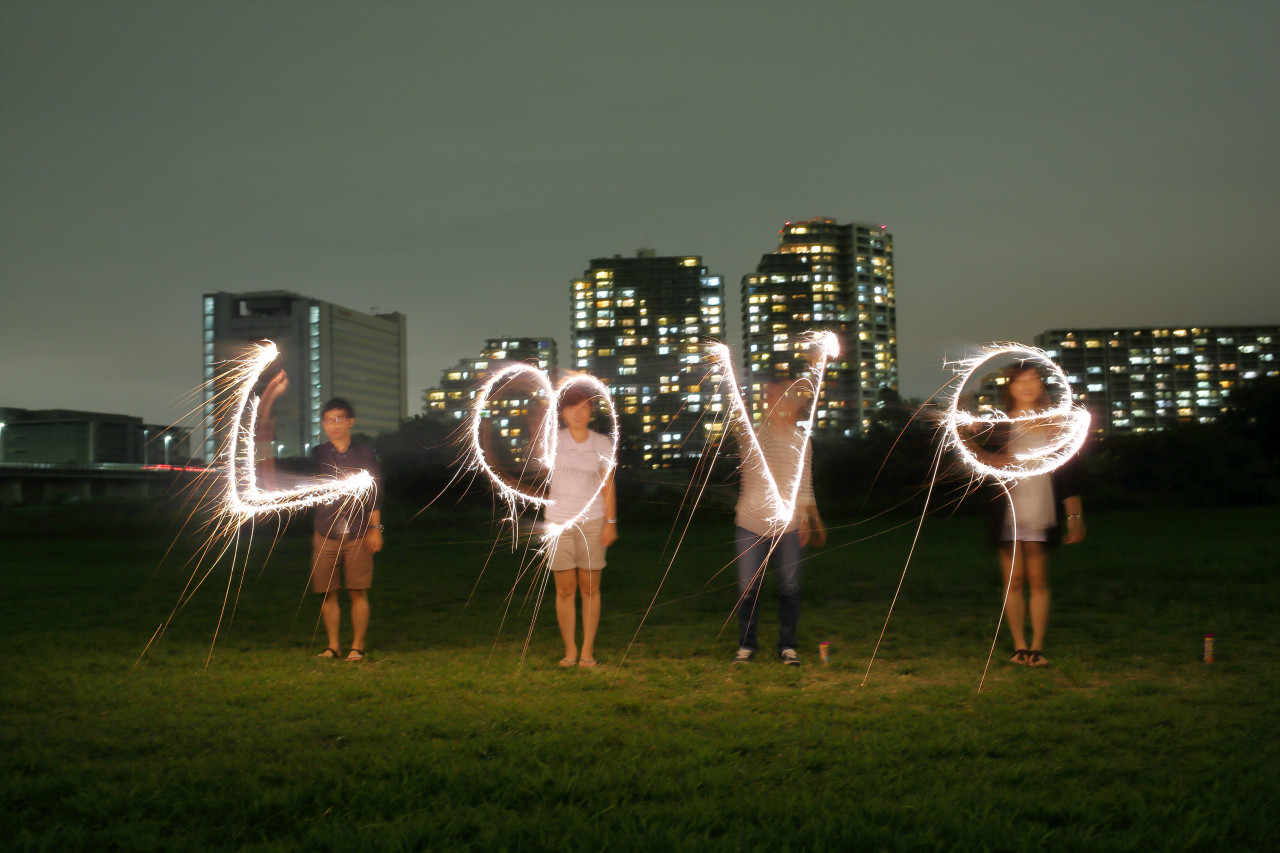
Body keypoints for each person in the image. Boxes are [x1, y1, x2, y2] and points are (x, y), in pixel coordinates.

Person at [260, 372, 384, 662]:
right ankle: (333, 646)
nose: (334, 425)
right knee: (327, 592)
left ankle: (357, 646)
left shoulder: (365, 453)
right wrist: (273, 402)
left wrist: (376, 528)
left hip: (357, 531)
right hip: (325, 531)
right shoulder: (318, 454)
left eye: (340, 419)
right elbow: (288, 470)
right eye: (329, 420)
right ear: (324, 424)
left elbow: (375, 491)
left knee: (357, 591)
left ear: (350, 421)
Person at [974, 363, 1085, 668]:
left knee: (1037, 578)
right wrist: (968, 436)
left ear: (1041, 384)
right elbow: (979, 460)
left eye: (1033, 379)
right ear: (1009, 388)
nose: (1026, 385)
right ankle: (1019, 646)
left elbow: (1068, 473)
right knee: (1014, 580)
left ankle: (1037, 645)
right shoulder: (998, 424)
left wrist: (1074, 514)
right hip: (1008, 510)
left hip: (1041, 507)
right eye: (1019, 380)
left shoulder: (1054, 425)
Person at [733, 379, 826, 665]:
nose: (774, 401)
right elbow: (741, 428)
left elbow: (804, 484)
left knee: (789, 587)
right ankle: (747, 646)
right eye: (771, 397)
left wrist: (812, 520)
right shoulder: (756, 435)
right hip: (751, 521)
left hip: (788, 525)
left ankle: (787, 646)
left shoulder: (802, 441)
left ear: (794, 404)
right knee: (748, 587)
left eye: (781, 397)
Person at [544, 384, 617, 668]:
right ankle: (570, 649)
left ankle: (587, 650)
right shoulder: (553, 441)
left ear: (591, 412)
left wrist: (610, 522)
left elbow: (608, 485)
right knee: (564, 589)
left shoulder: (601, 444)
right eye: (572, 407)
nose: (578, 412)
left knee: (589, 586)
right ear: (562, 413)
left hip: (593, 520)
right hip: (558, 522)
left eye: (585, 407)